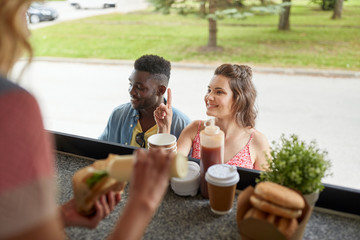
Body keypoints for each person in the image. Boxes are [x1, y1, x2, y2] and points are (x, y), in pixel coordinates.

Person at [0, 0, 173, 239]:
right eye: (25, 11)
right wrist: (143, 203)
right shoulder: (11, 106)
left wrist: (59, 217)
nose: (27, 30)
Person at [155, 64, 271, 170]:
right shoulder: (195, 129)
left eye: (219, 92)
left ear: (239, 99)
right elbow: (168, 170)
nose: (209, 97)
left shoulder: (257, 141)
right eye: (209, 90)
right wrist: (164, 128)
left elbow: (265, 187)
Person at [99, 54, 190, 148]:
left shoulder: (183, 127)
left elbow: (188, 162)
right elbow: (98, 151)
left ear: (160, 90)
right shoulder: (118, 115)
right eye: (131, 84)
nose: (131, 91)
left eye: (139, 87)